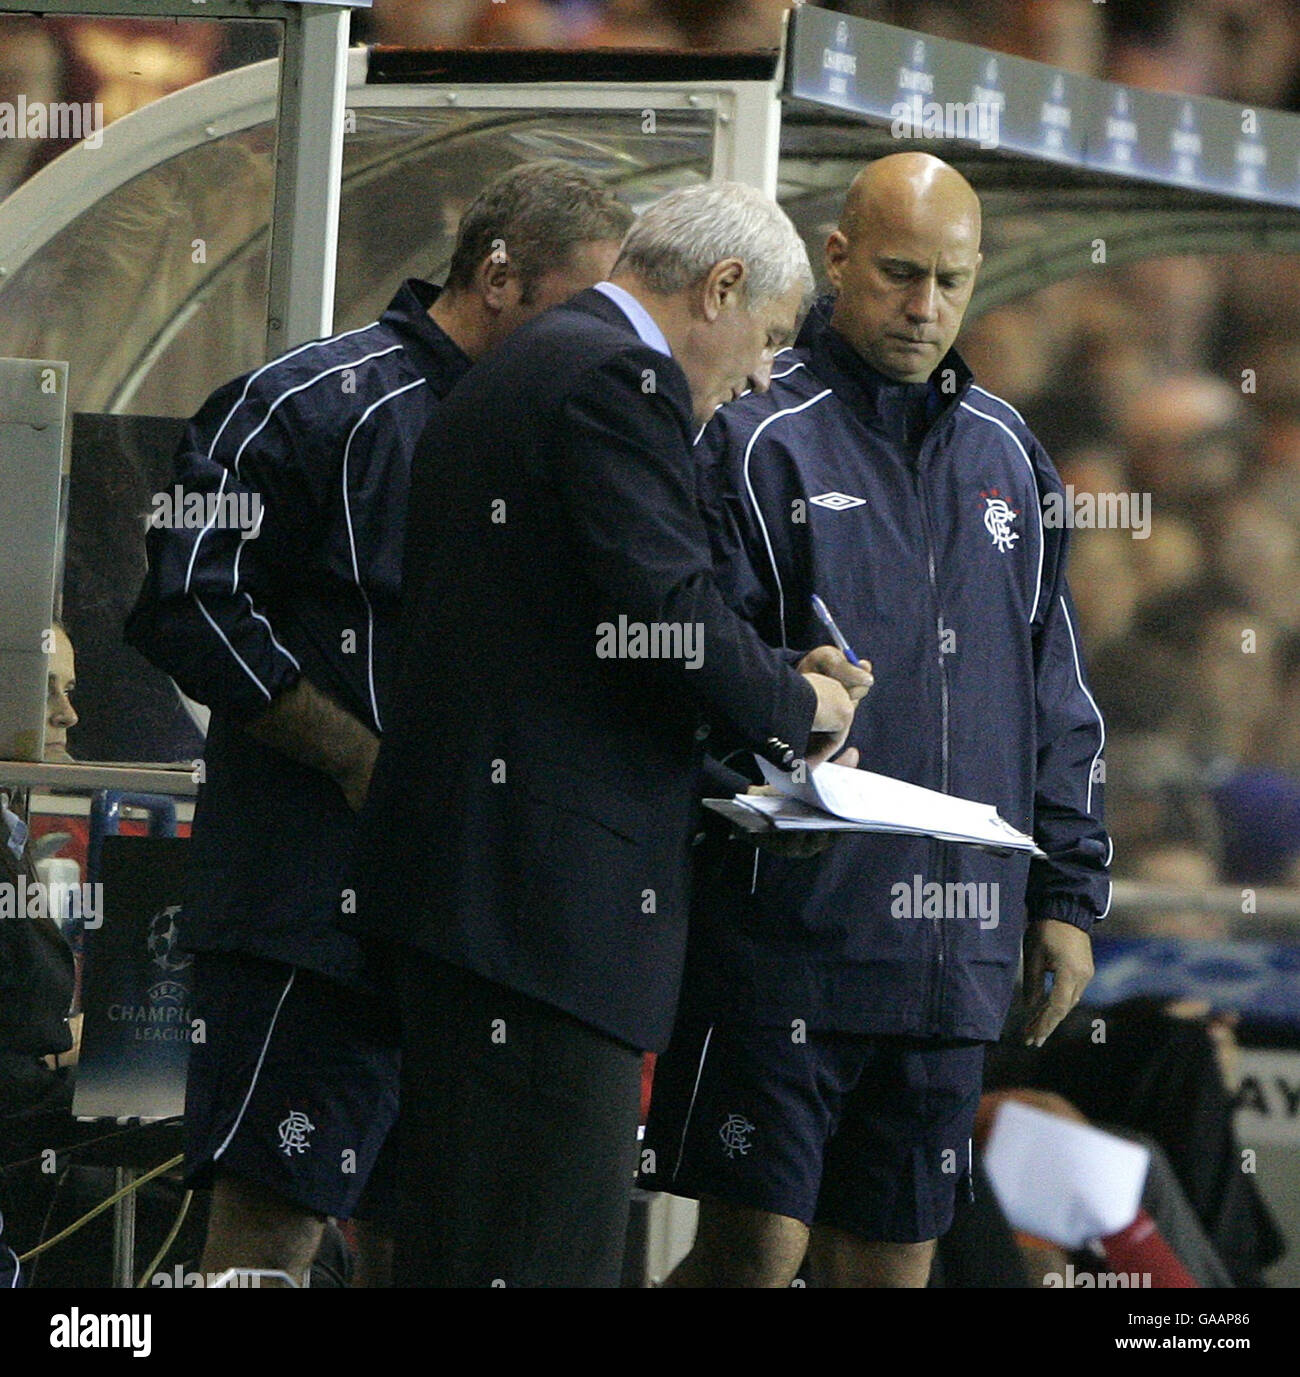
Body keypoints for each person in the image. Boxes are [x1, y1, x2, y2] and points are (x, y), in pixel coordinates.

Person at [347, 180, 869, 1288]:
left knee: (472, 1248)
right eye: (770, 338)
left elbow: (595, 637)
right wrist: (802, 710)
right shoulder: (611, 376)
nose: (765, 375)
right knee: (534, 1257)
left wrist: (767, 688)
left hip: (491, 903)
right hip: (536, 913)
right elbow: (667, 618)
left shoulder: (539, 364)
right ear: (720, 286)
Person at [123, 160, 633, 1288]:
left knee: (437, 1245)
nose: (602, 348)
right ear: (497, 276)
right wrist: (356, 757)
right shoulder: (309, 403)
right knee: (268, 1232)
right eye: (581, 310)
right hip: (310, 910)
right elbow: (184, 600)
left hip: (476, 933)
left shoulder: (571, 445)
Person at [639, 153, 1111, 1286]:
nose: (924, 307)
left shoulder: (1008, 451)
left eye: (950, 280)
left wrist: (1068, 893)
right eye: (900, 274)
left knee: (896, 1261)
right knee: (755, 1248)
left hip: (955, 949)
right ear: (836, 259)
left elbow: (1056, 687)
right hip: (784, 939)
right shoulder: (755, 436)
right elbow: (686, 673)